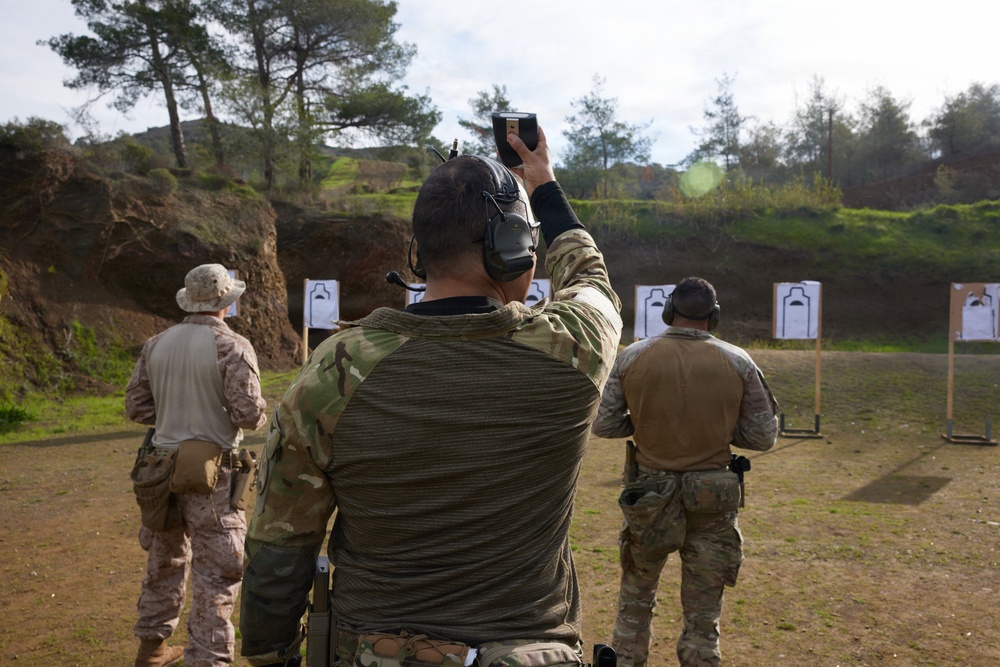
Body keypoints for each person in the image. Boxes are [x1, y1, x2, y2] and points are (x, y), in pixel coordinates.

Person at [239, 127, 623, 667]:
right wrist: (543, 184)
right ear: (514, 249)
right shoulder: (571, 350)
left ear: (418, 254)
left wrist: (269, 657)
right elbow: (591, 278)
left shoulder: (334, 371)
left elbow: (279, 547)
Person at [591, 277, 779, 667]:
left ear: (667, 310)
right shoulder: (739, 360)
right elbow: (763, 436)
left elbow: (604, 424)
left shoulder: (632, 356)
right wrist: (723, 429)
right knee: (703, 612)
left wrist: (643, 423)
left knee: (635, 600)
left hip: (649, 496)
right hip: (712, 499)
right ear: (715, 316)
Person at [125, 263, 268, 667]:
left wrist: (175, 409)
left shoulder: (156, 343)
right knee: (218, 575)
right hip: (213, 476)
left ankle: (151, 652)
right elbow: (248, 414)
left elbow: (137, 407)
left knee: (163, 562)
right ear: (226, 302)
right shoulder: (233, 346)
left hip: (159, 471)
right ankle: (206, 660)